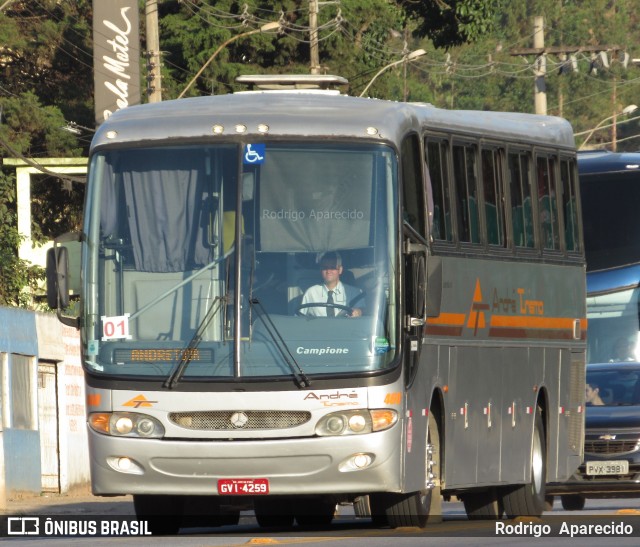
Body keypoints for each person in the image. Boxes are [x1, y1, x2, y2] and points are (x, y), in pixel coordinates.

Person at [300, 252, 363, 317]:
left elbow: (362, 311)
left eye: (332, 268)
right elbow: (299, 318)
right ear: (321, 270)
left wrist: (358, 312)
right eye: (325, 268)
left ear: (340, 270)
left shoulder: (354, 293)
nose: (328, 271)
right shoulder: (311, 293)